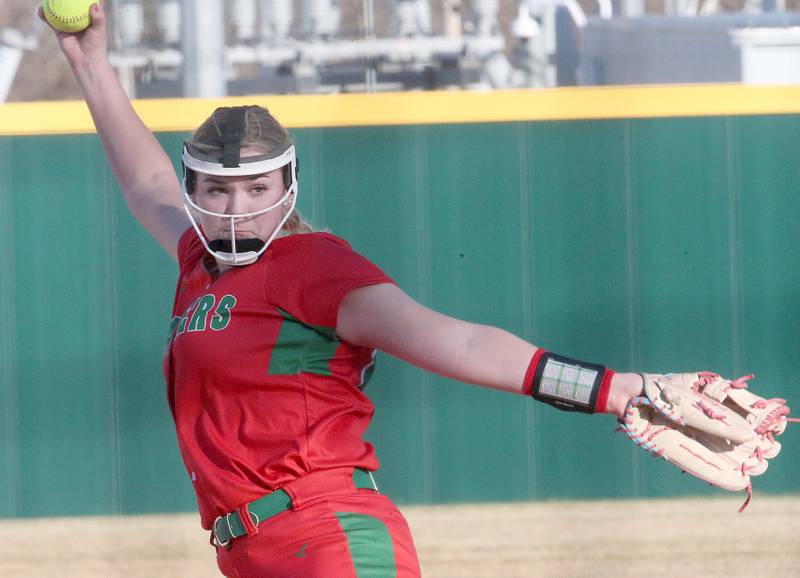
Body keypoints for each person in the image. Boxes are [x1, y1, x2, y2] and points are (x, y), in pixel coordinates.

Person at [44, 3, 647, 577]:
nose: (236, 209)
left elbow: (459, 342)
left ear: (287, 185)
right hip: (253, 550)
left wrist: (610, 389)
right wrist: (89, 64)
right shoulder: (198, 263)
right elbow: (144, 180)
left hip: (332, 536)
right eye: (218, 190)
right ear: (194, 193)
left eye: (256, 189)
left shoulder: (310, 264)